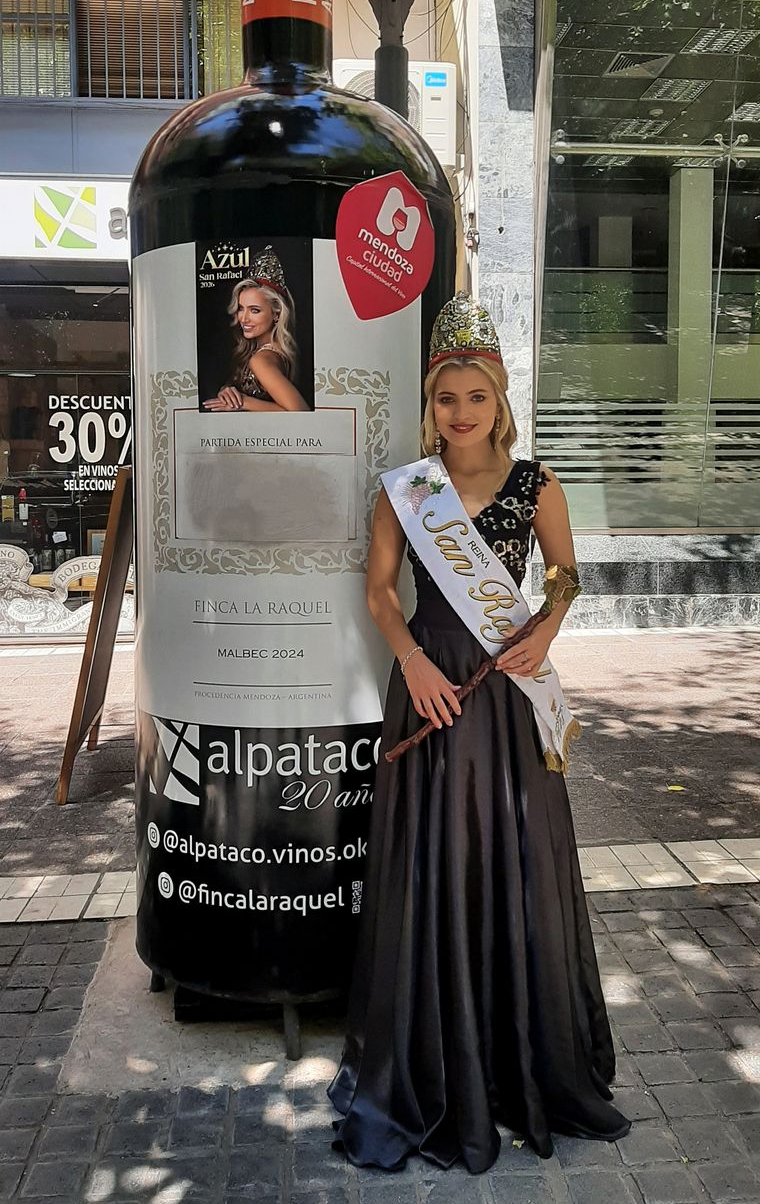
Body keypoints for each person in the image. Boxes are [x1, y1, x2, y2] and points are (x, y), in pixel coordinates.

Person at [328, 292, 631, 1174]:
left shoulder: (538, 483)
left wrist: (547, 625)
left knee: (518, 857)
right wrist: (412, 663)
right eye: (448, 398)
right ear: (433, 403)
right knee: (443, 860)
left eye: (479, 396)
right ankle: (440, 1056)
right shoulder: (406, 488)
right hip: (435, 687)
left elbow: (567, 575)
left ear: (500, 400)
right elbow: (380, 591)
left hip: (508, 688)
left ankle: (520, 1055)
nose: (463, 413)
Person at [203, 246, 308, 413]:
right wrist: (229, 391)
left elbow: (300, 412)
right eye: (240, 308)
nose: (243, 318)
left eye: (254, 310)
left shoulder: (261, 360)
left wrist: (243, 402)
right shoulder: (273, 352)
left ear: (276, 313)